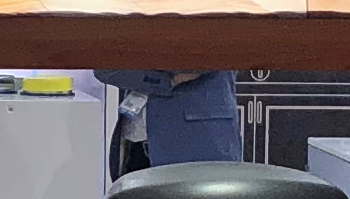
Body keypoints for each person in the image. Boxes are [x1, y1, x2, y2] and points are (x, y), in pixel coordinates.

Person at [97, 69, 245, 172]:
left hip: (200, 139)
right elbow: (104, 69)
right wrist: (163, 80)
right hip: (135, 141)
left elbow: (207, 58)